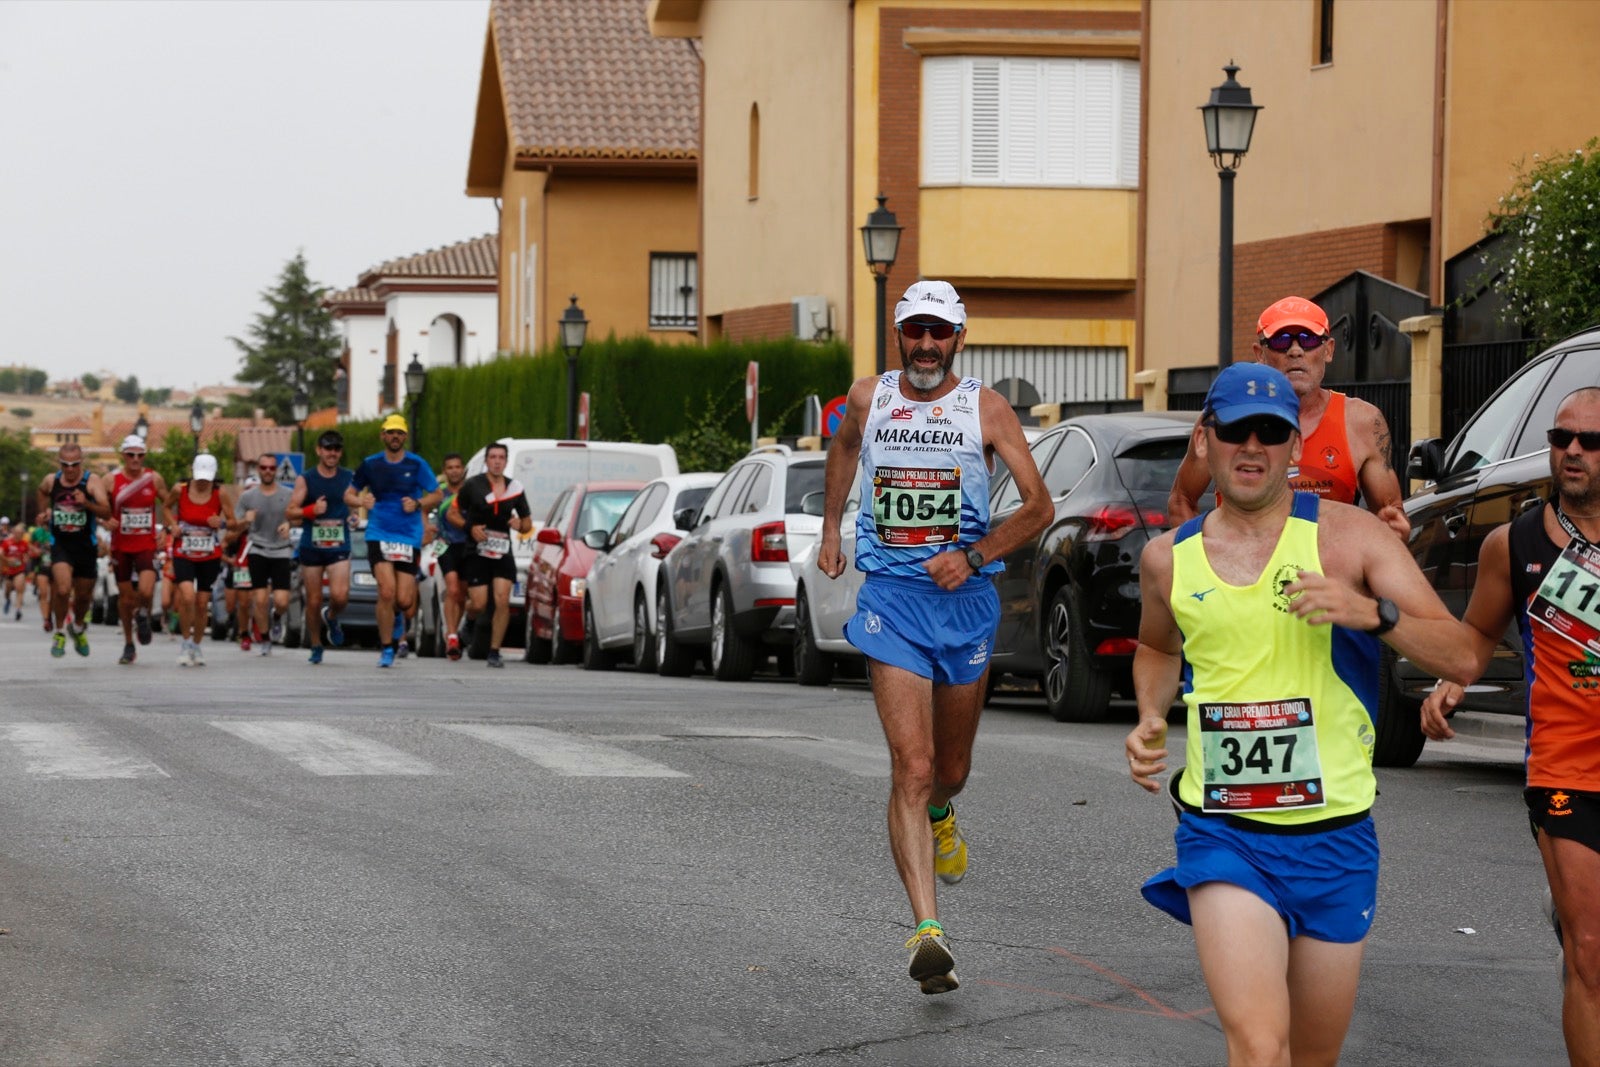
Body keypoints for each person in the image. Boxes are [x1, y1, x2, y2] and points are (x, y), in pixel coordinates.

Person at [1126, 361, 1477, 1067]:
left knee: (1311, 1057)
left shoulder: (1350, 539)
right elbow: (1157, 648)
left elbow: (1462, 655)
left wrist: (1372, 615)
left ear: (1295, 446)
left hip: (1335, 836)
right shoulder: (1168, 559)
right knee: (1259, 1046)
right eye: (1235, 430)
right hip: (1225, 831)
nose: (1252, 447)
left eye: (1272, 432)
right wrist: (1148, 715)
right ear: (1205, 439)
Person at [817, 280, 1052, 995]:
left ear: (960, 335)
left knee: (949, 768)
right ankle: (928, 931)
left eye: (938, 332)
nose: (925, 345)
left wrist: (975, 556)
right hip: (891, 599)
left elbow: (1040, 506)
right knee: (911, 767)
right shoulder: (868, 397)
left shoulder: (985, 407)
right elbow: (845, 450)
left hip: (966, 602)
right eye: (914, 331)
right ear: (898, 334)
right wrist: (832, 527)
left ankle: (946, 812)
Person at [1420, 386, 1600, 1066]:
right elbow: (1474, 637)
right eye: (1562, 439)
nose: (1573, 451)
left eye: (1590, 441)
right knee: (1589, 951)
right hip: (1565, 768)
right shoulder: (1515, 542)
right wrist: (1448, 683)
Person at [1168, 296, 1410, 539]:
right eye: (1281, 341)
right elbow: (1181, 500)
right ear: (1259, 353)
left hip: (1328, 574)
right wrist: (1208, 563)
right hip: (1245, 573)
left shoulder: (1362, 421)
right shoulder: (1224, 418)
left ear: (1329, 350)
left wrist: (1385, 542)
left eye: (1309, 339)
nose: (1295, 351)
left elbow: (1391, 516)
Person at [346, 413, 440, 668]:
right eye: (391, 432)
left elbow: (437, 494)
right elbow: (349, 495)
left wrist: (419, 502)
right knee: (386, 592)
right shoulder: (370, 464)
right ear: (383, 435)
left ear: (405, 437)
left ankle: (397, 618)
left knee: (405, 601)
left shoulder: (417, 464)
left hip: (408, 536)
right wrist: (361, 502)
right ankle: (386, 647)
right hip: (379, 532)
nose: (395, 436)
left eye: (399, 432)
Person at [448, 442, 532, 669]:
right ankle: (469, 620)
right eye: (493, 457)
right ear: (486, 461)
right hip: (477, 551)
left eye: (501, 457)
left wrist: (519, 525)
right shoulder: (473, 485)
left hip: (503, 550)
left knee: (503, 600)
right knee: (479, 603)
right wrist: (469, 528)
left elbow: (527, 523)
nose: (497, 461)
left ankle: (494, 652)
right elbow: (452, 513)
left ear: (506, 461)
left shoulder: (515, 488)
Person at [287, 430, 354, 665]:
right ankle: (316, 643)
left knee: (340, 595)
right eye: (328, 448)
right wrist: (309, 511)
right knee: (314, 600)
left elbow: (355, 506)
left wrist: (354, 517)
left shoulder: (349, 477)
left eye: (336, 449)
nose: (332, 453)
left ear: (340, 452)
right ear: (319, 450)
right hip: (312, 546)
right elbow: (291, 511)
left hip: (338, 545)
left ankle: (332, 615)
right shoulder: (306, 479)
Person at [38, 442, 109, 657]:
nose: (69, 469)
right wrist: (44, 513)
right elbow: (42, 492)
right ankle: (59, 632)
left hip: (86, 546)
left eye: (74, 464)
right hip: (61, 544)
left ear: (81, 462)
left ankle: (77, 627)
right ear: (59, 463)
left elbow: (106, 512)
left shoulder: (92, 481)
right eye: (65, 464)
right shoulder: (52, 480)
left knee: (84, 596)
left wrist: (86, 503)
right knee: (61, 589)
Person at [105, 434, 171, 664]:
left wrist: (167, 529)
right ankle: (128, 644)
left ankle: (143, 614)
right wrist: (105, 522)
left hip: (145, 544)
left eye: (140, 455)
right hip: (121, 545)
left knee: (145, 590)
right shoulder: (111, 480)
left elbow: (169, 503)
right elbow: (100, 507)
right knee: (126, 599)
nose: (135, 459)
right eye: (131, 454)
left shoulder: (154, 478)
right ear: (123, 455)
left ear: (144, 456)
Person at [167, 454, 235, 666]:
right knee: (187, 596)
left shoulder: (220, 493)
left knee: (202, 602)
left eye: (207, 477)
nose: (203, 481)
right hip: (184, 551)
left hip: (209, 554)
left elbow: (233, 522)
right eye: (200, 477)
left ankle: (197, 645)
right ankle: (186, 643)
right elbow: (167, 507)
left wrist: (221, 523)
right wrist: (172, 525)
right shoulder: (181, 489)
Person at [236, 451, 295, 655]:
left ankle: (277, 617)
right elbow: (235, 525)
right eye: (264, 468)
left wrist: (290, 524)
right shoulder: (247, 496)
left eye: (271, 468)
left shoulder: (288, 494)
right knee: (259, 599)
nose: (268, 471)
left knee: (282, 600)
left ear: (277, 470)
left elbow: (299, 516)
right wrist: (246, 520)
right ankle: (265, 638)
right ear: (258, 470)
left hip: (281, 550)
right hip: (258, 549)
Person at [431, 452, 471, 661]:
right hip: (446, 547)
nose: (454, 471)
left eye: (457, 467)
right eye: (450, 467)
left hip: (467, 547)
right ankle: (452, 636)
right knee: (452, 589)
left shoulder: (470, 492)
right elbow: (425, 511)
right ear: (444, 471)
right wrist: (429, 529)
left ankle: (456, 628)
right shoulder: (439, 495)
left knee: (462, 595)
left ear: (462, 469)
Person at [1, 518, 27, 620]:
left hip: (19, 570)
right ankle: (8, 600)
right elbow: (0, 554)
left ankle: (18, 610)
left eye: (21, 533)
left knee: (19, 588)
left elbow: (27, 554)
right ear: (13, 533)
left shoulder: (24, 543)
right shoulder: (7, 542)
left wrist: (25, 559)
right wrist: (8, 560)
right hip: (8, 570)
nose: (18, 535)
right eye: (17, 533)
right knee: (7, 590)